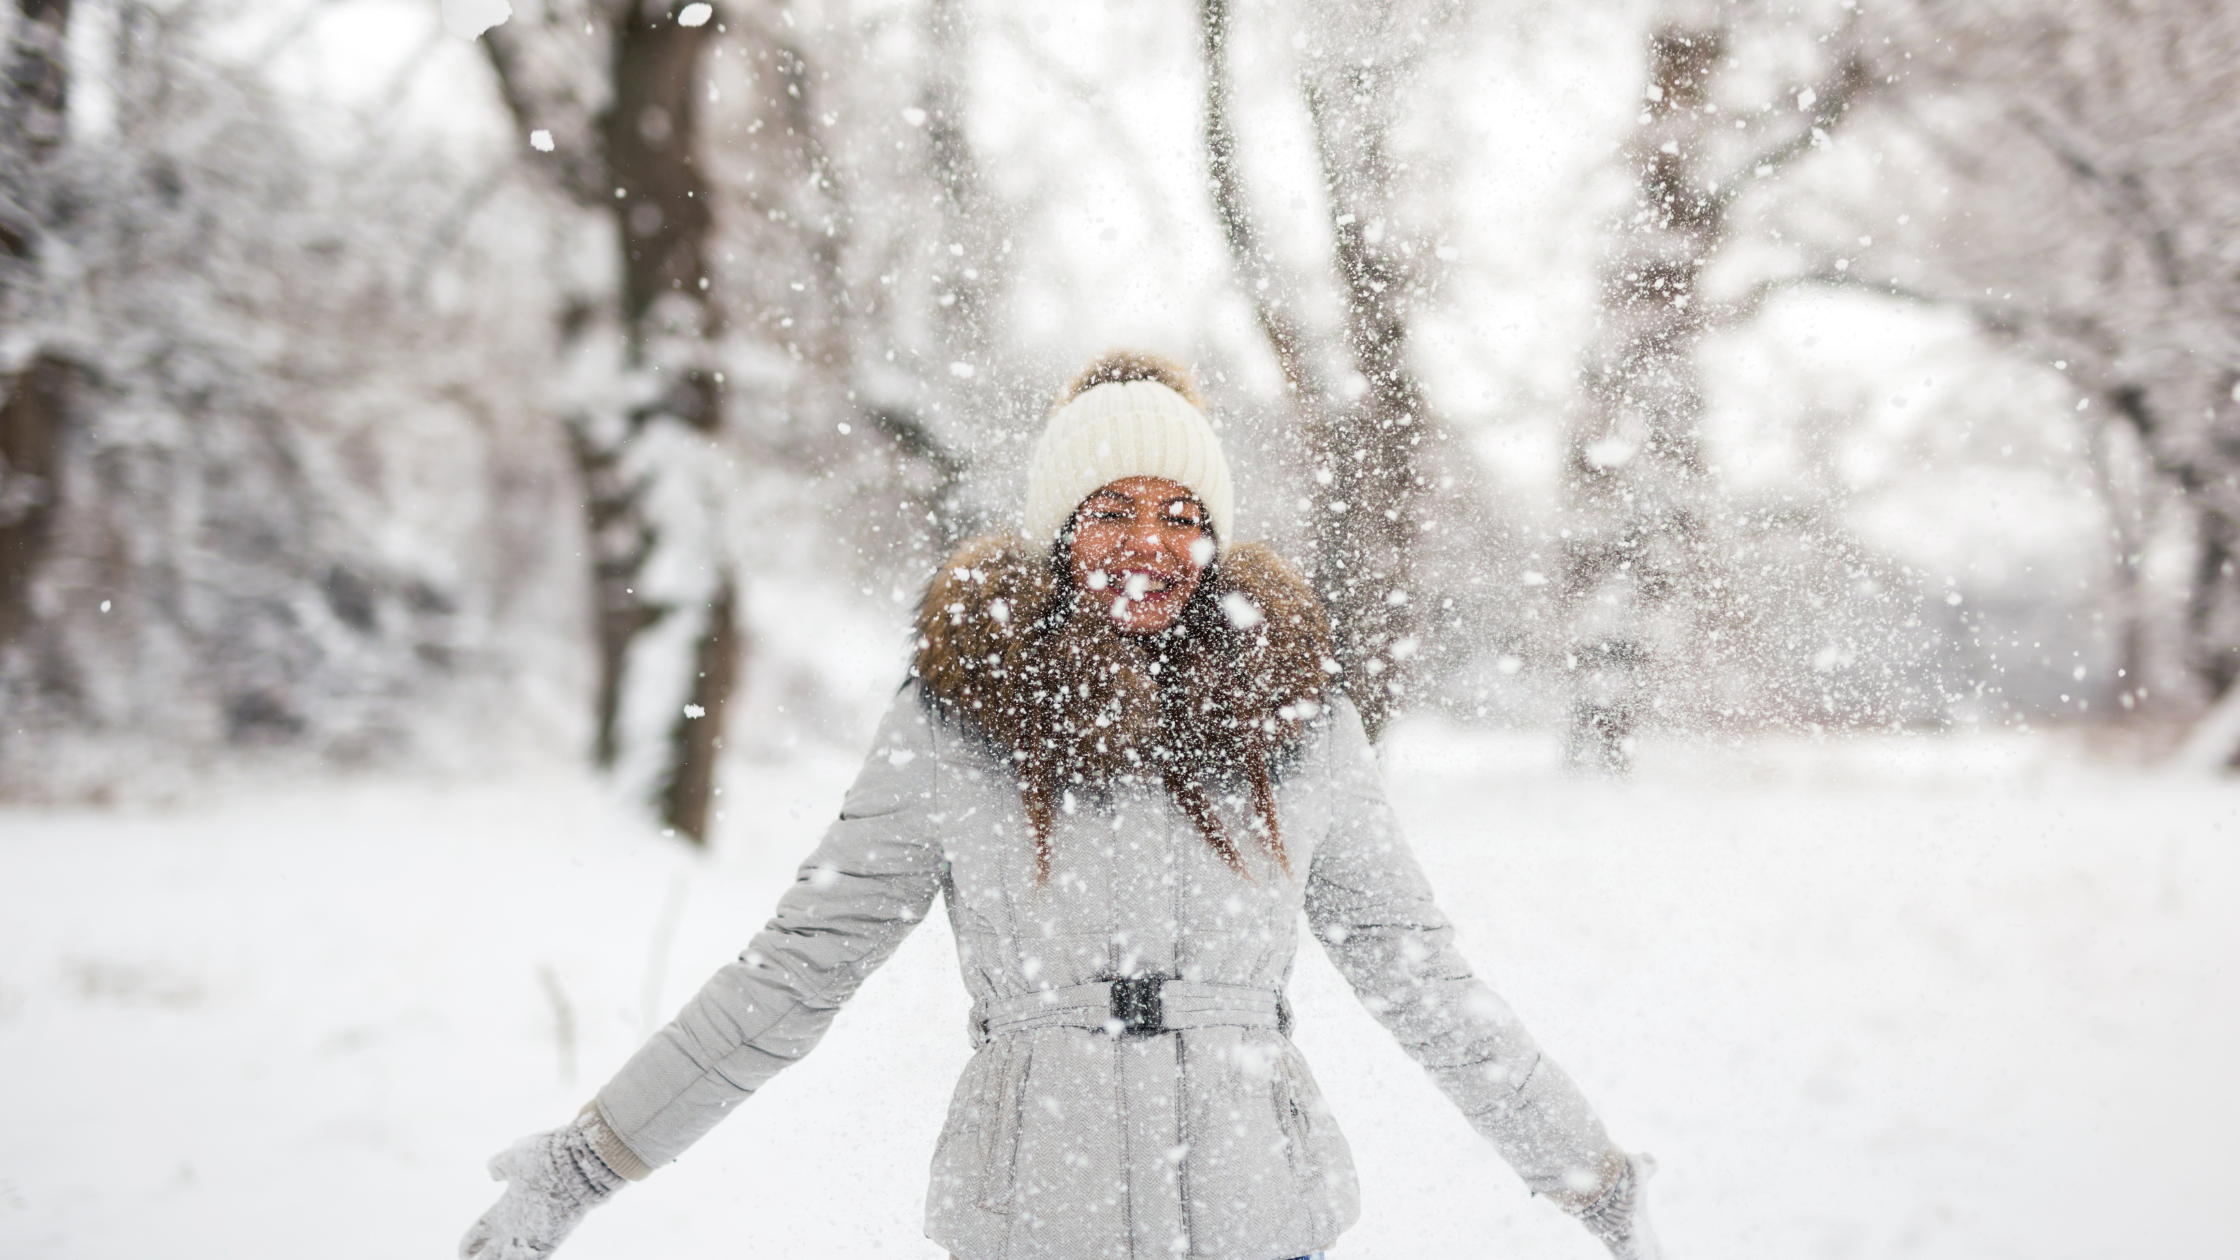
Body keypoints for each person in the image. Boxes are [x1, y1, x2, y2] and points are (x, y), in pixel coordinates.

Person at [461, 352, 1663, 1260]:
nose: (1149, 543)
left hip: (1260, 1219)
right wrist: (583, 1166)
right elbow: (794, 971)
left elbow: (1424, 980)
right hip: (1034, 1219)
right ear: (1058, 530)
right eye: (1112, 510)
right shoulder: (953, 723)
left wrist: (1592, 1179)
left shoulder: (1296, 725)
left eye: (1181, 515)